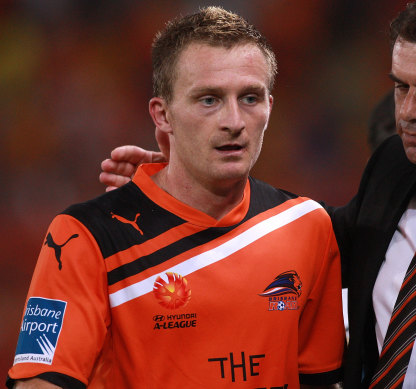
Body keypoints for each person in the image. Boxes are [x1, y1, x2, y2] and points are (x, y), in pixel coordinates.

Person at [100, 0, 416, 388]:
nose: (408, 112)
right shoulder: (396, 166)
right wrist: (181, 187)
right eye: (401, 87)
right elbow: (305, 241)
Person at [7, 7, 345, 389]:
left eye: (250, 97)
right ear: (162, 115)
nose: (233, 121)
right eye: (208, 100)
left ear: (270, 106)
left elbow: (322, 380)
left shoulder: (307, 226)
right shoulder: (84, 237)